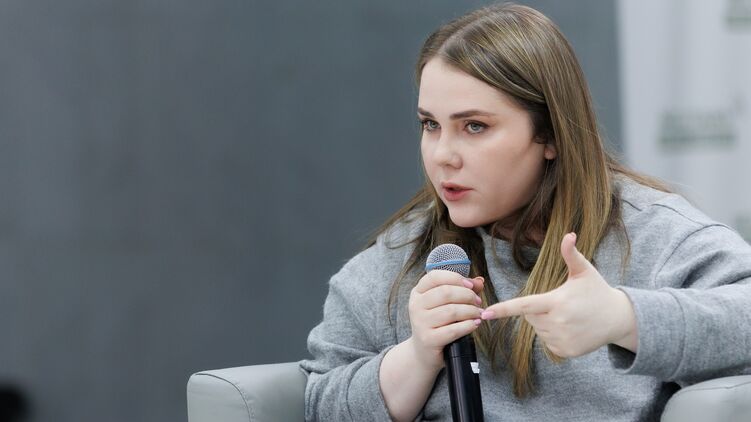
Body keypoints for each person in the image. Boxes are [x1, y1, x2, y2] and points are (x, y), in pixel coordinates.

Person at [299, 3, 751, 421]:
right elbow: (319, 402)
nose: (442, 156)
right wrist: (417, 356)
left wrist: (623, 318)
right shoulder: (404, 257)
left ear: (549, 135)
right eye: (430, 125)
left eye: (475, 126)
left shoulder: (652, 233)